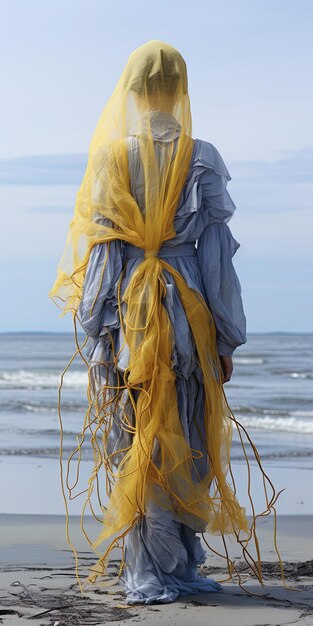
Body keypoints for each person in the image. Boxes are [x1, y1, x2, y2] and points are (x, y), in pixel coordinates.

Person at [49, 39, 285, 605]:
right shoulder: (200, 155)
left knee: (140, 434)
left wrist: (98, 324)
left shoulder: (112, 158)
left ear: (131, 92)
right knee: (187, 430)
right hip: (188, 311)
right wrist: (226, 335)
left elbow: (105, 249)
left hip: (132, 311)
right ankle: (172, 561)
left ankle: (151, 565)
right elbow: (214, 256)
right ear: (181, 90)